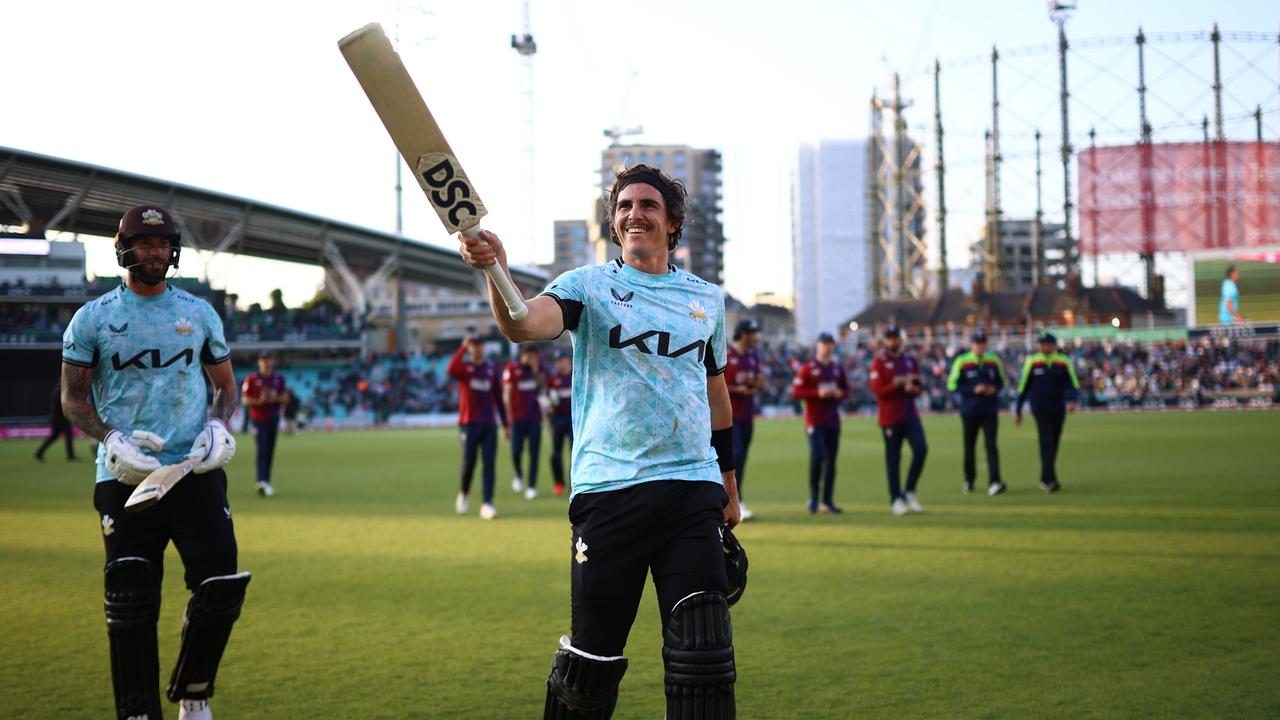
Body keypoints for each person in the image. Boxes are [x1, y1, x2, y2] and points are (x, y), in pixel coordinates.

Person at [459, 163, 741, 718]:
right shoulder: (587, 286)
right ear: (614, 223)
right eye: (625, 207)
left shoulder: (707, 300)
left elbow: (717, 396)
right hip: (610, 493)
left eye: (649, 205)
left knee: (704, 653)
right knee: (591, 662)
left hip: (691, 489)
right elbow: (522, 323)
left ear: (673, 221)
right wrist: (497, 271)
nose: (635, 213)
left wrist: (729, 485)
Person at [59, 204, 248, 720]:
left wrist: (217, 424)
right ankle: (138, 712)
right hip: (124, 477)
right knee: (131, 595)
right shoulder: (93, 318)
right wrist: (111, 437)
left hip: (193, 472)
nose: (155, 252)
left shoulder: (199, 312)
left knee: (220, 587)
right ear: (124, 248)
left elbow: (226, 387)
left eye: (163, 243)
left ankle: (195, 693)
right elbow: (73, 399)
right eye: (144, 243)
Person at [870, 325, 928, 516]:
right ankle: (895, 499)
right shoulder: (879, 362)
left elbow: (919, 386)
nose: (892, 341)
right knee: (893, 459)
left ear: (900, 340)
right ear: (884, 341)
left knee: (921, 449)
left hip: (910, 414)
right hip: (890, 417)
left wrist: (914, 389)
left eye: (895, 337)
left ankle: (909, 490)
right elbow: (878, 390)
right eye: (889, 338)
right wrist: (897, 383)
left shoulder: (909, 360)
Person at [446, 335, 507, 519]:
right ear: (470, 348)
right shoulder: (465, 368)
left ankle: (487, 504)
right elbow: (450, 370)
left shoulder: (490, 368)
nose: (477, 348)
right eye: (474, 345)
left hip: (489, 424)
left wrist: (506, 424)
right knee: (469, 464)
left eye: (479, 345)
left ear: (484, 347)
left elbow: (498, 397)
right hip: (469, 424)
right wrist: (462, 349)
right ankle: (464, 493)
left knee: (489, 464)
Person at [790, 331, 849, 514]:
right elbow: (796, 392)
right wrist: (817, 393)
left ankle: (828, 500)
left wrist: (840, 394)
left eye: (831, 343)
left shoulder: (837, 368)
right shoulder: (808, 368)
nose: (828, 346)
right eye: (825, 343)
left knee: (831, 461)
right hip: (814, 420)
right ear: (818, 345)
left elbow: (846, 389)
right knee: (818, 457)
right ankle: (814, 497)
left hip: (833, 420)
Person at [1016, 332, 1080, 493]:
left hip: (1058, 407)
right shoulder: (1033, 361)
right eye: (1041, 344)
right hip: (1039, 408)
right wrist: (1018, 409)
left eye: (1047, 344)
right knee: (1046, 442)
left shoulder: (1063, 362)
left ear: (1053, 345)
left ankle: (1046, 477)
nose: (1044, 346)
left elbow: (1072, 383)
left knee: (1054, 442)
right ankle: (1049, 480)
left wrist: (1072, 400)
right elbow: (1024, 386)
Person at [946, 329, 1007, 495]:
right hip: (970, 411)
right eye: (977, 343)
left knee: (991, 445)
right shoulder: (962, 361)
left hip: (989, 409)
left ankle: (995, 480)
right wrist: (973, 389)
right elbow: (952, 384)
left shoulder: (994, 361)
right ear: (972, 344)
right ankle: (969, 479)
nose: (980, 346)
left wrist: (993, 389)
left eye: (983, 343)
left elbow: (1002, 383)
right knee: (969, 446)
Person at [726, 318, 764, 520]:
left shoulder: (752, 357)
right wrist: (736, 389)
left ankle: (737, 500)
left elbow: (761, 384)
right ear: (743, 334)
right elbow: (717, 386)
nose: (755, 337)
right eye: (752, 333)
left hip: (747, 415)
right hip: (729, 417)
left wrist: (754, 383)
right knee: (735, 457)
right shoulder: (727, 355)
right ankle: (733, 501)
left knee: (742, 459)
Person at [241, 350, 288, 497]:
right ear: (259, 362)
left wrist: (274, 398)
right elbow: (245, 400)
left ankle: (265, 481)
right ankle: (261, 481)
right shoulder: (252, 379)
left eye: (268, 359)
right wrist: (260, 401)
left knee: (269, 450)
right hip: (258, 419)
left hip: (273, 418)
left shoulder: (278, 379)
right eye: (263, 360)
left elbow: (285, 397)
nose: (266, 363)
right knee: (262, 449)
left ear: (272, 361)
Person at [505, 344, 544, 499]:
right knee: (516, 451)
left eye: (534, 355)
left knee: (534, 453)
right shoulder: (512, 369)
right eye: (530, 355)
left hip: (534, 418)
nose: (532, 358)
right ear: (523, 355)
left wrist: (535, 371)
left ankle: (531, 486)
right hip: (517, 418)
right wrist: (507, 418)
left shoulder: (537, 370)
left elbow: (542, 387)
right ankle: (518, 474)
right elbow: (507, 394)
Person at [544, 349, 574, 496]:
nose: (558, 364)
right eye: (556, 361)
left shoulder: (576, 376)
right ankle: (559, 483)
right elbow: (548, 400)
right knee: (556, 453)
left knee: (574, 453)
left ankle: (572, 484)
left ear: (567, 360)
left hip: (573, 418)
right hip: (557, 419)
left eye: (560, 360)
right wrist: (549, 403)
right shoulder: (552, 379)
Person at [35, 380, 78, 462]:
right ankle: (70, 456)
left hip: (58, 419)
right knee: (68, 435)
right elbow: (64, 407)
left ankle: (39, 453)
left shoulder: (58, 391)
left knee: (55, 436)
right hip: (60, 419)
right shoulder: (60, 392)